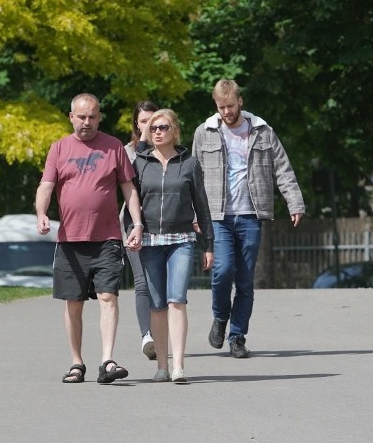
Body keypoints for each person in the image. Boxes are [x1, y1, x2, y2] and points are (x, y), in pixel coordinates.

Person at [192, 79, 305, 358]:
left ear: (240, 101)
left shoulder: (262, 130)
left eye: (230, 106)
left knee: (244, 280)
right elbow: (192, 177)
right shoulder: (204, 132)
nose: (226, 112)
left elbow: (282, 167)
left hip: (251, 214)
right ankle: (220, 317)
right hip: (218, 215)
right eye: (221, 107)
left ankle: (237, 336)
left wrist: (295, 202)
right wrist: (193, 213)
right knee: (222, 272)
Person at [36, 93, 143, 384]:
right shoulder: (59, 148)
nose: (87, 122)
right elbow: (46, 185)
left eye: (92, 116)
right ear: (71, 117)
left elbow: (128, 187)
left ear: (99, 117)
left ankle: (107, 361)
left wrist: (137, 223)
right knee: (73, 302)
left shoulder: (114, 147)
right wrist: (42, 213)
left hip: (106, 237)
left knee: (108, 296)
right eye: (81, 117)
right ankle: (76, 363)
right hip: (70, 240)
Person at [128, 108, 214, 383]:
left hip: (181, 240)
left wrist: (209, 244)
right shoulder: (140, 163)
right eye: (153, 127)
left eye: (163, 127)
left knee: (177, 300)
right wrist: (134, 230)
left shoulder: (189, 163)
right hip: (150, 241)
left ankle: (178, 366)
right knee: (157, 305)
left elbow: (202, 204)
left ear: (175, 131)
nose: (157, 132)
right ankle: (161, 366)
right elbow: (131, 201)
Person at [122, 100, 159, 360]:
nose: (148, 126)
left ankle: (162, 334)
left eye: (152, 121)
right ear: (136, 123)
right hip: (133, 222)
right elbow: (130, 183)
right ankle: (147, 335)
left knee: (161, 284)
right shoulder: (127, 152)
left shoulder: (171, 150)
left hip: (163, 223)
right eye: (143, 121)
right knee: (141, 282)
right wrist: (144, 144)